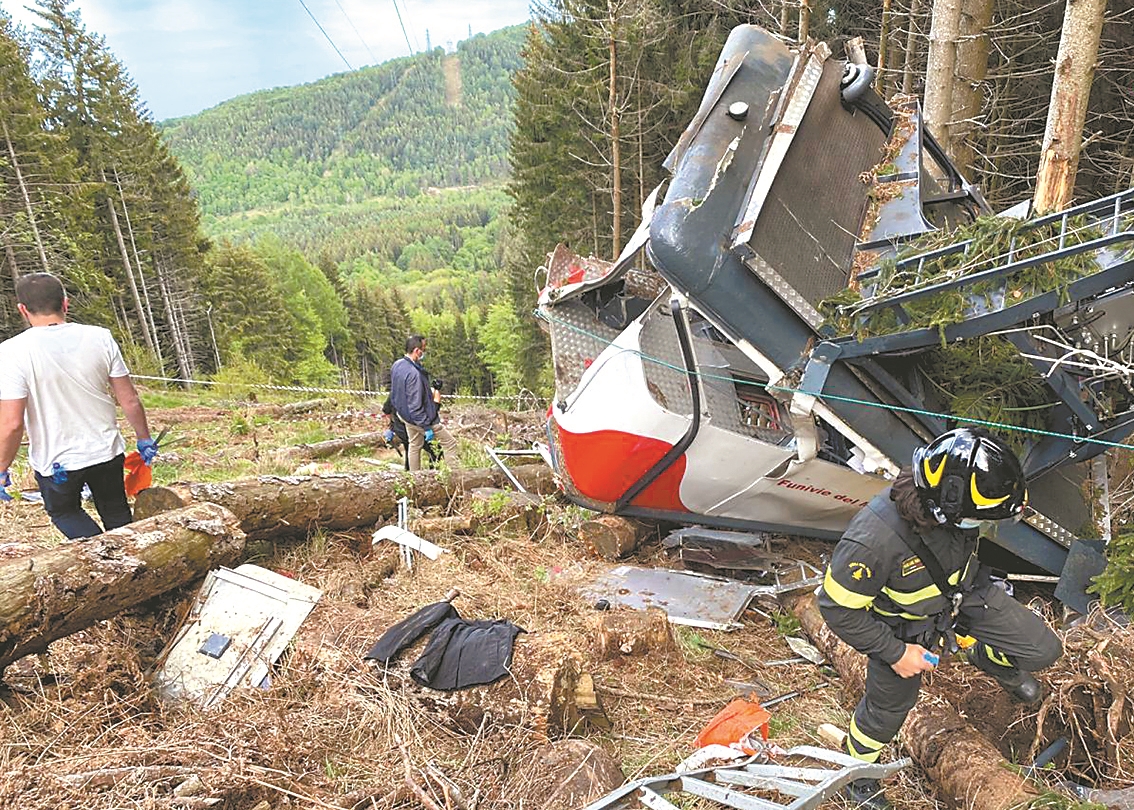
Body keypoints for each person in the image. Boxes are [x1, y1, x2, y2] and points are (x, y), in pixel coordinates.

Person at [818, 427, 1062, 809]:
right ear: (943, 507)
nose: (979, 527)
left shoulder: (957, 504)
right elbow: (836, 608)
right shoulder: (872, 541)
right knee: (885, 714)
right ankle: (856, 774)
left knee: (1042, 648)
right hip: (901, 627)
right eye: (975, 520)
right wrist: (896, 653)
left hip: (961, 596)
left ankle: (986, 657)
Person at [0, 273, 158, 538]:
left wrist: (2, 467)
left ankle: (105, 560)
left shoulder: (11, 352)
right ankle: (132, 560)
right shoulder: (101, 338)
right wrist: (144, 438)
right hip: (106, 450)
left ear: (23, 309)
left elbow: (12, 423)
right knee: (116, 510)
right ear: (65, 303)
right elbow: (129, 398)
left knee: (65, 512)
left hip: (57, 461)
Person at [389, 335, 458, 471]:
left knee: (415, 445)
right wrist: (426, 427)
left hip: (405, 416)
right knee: (450, 443)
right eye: (423, 349)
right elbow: (415, 404)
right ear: (416, 351)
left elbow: (397, 393)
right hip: (420, 418)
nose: (424, 352)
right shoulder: (413, 374)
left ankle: (415, 479)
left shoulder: (397, 365)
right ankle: (454, 477)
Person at [382, 394, 439, 470]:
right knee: (435, 450)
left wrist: (394, 423)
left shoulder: (395, 391)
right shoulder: (416, 392)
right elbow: (433, 410)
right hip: (416, 427)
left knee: (409, 450)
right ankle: (433, 473)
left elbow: (386, 410)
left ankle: (409, 472)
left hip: (401, 430)